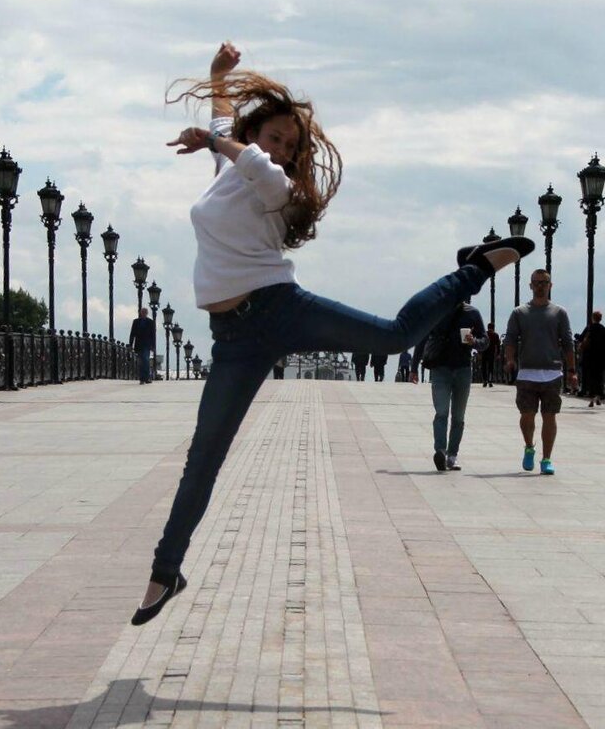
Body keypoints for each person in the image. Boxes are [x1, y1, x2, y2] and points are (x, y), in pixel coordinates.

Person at [131, 40, 535, 626]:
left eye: (290, 147)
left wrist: (221, 143)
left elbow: (252, 161)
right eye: (274, 138)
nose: (281, 150)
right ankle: (166, 571)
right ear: (253, 132)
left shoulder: (275, 185)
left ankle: (472, 269)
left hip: (278, 308)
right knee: (204, 456)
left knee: (395, 337)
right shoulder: (228, 168)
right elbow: (224, 121)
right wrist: (218, 76)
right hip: (233, 340)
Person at [503, 269, 577, 476]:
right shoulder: (519, 312)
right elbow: (510, 339)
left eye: (544, 282)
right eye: (536, 282)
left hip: (552, 372)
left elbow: (568, 343)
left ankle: (546, 458)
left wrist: (572, 370)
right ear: (530, 285)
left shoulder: (559, 313)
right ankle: (529, 447)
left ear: (550, 285)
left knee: (549, 416)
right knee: (527, 415)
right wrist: (510, 360)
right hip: (527, 372)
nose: (540, 286)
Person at [410, 300, 488, 471]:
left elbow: (485, 340)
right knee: (441, 412)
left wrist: (474, 341)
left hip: (463, 369)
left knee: (458, 416)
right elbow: (422, 339)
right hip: (440, 369)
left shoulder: (472, 313)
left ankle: (452, 455)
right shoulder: (436, 311)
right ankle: (440, 451)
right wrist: (414, 367)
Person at [578, 310, 605, 407]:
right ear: (600, 318)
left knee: (590, 377)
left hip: (589, 356)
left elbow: (581, 338)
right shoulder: (603, 328)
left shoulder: (589, 328)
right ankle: (598, 396)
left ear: (592, 318)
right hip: (601, 357)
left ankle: (592, 398)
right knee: (599, 377)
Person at [129, 307, 156, 384]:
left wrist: (153, 346)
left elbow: (153, 335)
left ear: (147, 313)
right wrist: (130, 344)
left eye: (145, 312)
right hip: (138, 345)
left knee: (146, 360)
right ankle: (142, 378)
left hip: (147, 345)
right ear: (140, 313)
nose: (143, 313)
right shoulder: (136, 322)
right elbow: (132, 334)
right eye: (142, 312)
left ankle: (146, 377)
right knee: (140, 362)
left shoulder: (150, 322)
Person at [481, 322, 501, 387]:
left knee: (484, 367)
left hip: (484, 352)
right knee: (490, 368)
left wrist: (479, 352)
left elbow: (481, 343)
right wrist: (498, 354)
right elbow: (498, 345)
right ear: (493, 328)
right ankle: (489, 381)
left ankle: (485, 381)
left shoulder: (484, 334)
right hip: (491, 353)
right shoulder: (495, 335)